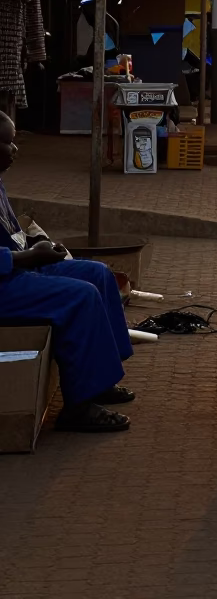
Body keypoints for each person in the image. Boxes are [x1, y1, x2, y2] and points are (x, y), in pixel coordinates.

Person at [0, 112, 135, 432]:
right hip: (5, 281)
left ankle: (99, 378)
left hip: (15, 268)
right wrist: (26, 258)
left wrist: (38, 244)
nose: (16, 149)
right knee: (80, 297)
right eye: (8, 143)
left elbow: (12, 236)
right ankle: (79, 404)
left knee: (97, 274)